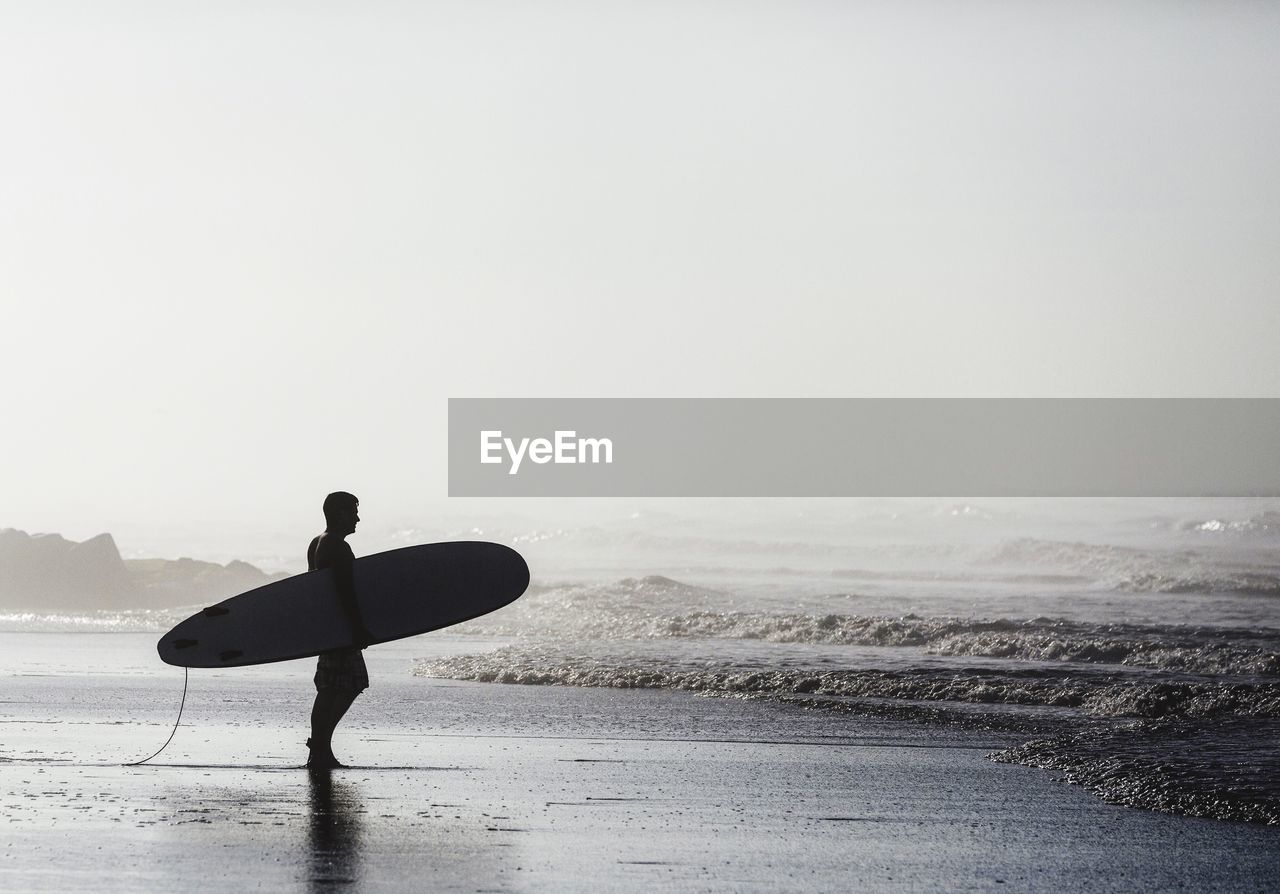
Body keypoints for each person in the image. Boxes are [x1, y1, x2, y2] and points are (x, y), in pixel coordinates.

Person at [306, 491, 373, 770]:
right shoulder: (337, 547)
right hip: (341, 629)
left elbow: (313, 591)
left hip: (328, 628)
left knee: (329, 687)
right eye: (353, 512)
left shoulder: (316, 543)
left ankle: (319, 749)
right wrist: (359, 629)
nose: (357, 518)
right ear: (339, 514)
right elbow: (346, 593)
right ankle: (321, 745)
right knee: (351, 684)